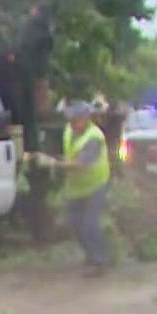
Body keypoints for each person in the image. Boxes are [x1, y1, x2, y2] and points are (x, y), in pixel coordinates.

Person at [52, 100, 114, 271]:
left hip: (96, 185)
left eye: (76, 120)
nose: (72, 124)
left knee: (90, 225)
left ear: (86, 119)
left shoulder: (94, 137)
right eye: (70, 120)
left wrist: (54, 163)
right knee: (75, 224)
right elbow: (68, 153)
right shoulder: (69, 131)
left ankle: (100, 260)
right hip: (76, 187)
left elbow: (81, 163)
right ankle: (91, 255)